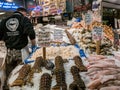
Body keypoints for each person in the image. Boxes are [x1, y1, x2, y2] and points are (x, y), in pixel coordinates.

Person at [0, 7, 36, 90]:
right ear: (23, 12)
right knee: (22, 74)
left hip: (9, 52)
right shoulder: (24, 19)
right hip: (21, 52)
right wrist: (34, 46)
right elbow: (31, 33)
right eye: (26, 14)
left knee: (9, 73)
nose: (26, 15)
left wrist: (9, 37)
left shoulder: (4, 21)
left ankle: (8, 87)